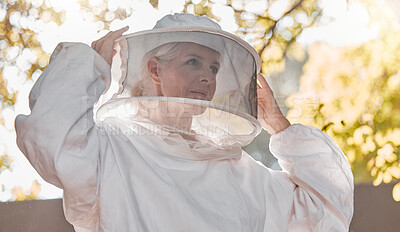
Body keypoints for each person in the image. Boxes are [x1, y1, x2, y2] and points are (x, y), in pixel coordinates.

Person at [15, 13, 354, 231]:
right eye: (193, 61)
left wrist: (280, 126)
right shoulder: (110, 149)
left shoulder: (240, 170)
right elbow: (49, 138)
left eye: (214, 68)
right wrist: (88, 65)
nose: (208, 78)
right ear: (155, 69)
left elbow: (325, 212)